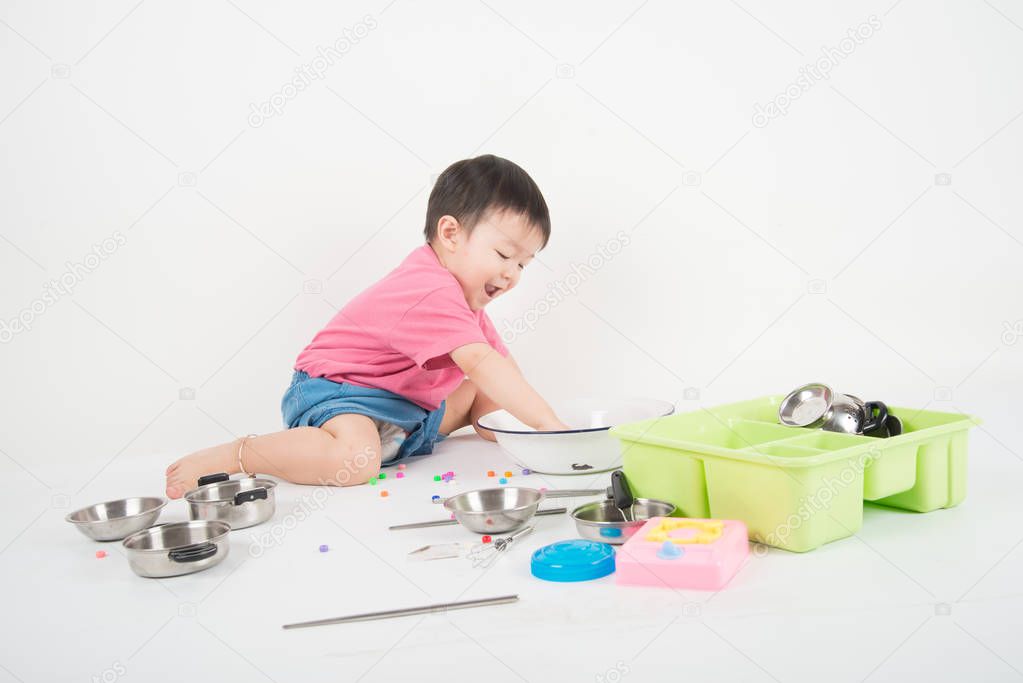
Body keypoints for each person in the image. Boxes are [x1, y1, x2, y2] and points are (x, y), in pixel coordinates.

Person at [165, 155, 568, 498]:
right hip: (340, 393)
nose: (512, 274)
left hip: (405, 411)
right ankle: (240, 454)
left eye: (522, 264)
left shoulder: (465, 302)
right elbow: (481, 361)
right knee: (357, 460)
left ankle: (487, 433)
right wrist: (548, 424)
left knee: (490, 392)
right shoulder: (427, 288)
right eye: (503, 254)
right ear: (450, 234)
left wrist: (532, 430)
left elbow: (500, 366)